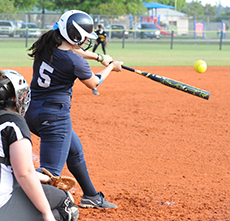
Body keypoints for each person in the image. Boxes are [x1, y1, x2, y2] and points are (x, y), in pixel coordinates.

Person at [24, 10, 123, 209]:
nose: (86, 40)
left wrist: (98, 57)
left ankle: (91, 196)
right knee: (49, 173)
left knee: (75, 151)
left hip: (32, 111)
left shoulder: (47, 44)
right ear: (75, 36)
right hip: (54, 118)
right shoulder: (74, 61)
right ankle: (20, 199)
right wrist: (111, 67)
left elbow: (72, 51)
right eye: (84, 37)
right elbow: (94, 82)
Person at [0, 69, 79, 221]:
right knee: (66, 205)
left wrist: (42, 178)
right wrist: (46, 213)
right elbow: (23, 173)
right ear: (13, 99)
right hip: (2, 207)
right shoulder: (13, 123)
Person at [92, 24, 108, 96]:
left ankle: (104, 54)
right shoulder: (97, 32)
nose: (100, 28)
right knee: (94, 48)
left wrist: (106, 42)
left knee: (103, 48)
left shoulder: (104, 32)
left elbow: (106, 37)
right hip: (98, 41)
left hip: (102, 41)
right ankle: (93, 55)